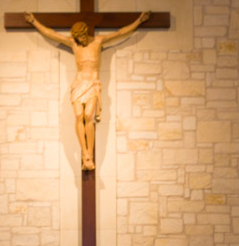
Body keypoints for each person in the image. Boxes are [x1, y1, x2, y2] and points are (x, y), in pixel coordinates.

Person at [23, 12, 151, 170]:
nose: (80, 41)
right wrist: (34, 22)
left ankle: (89, 153)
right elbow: (51, 34)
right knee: (78, 116)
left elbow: (120, 33)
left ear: (86, 34)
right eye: (78, 39)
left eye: (82, 38)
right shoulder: (74, 44)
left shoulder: (98, 41)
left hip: (92, 84)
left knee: (88, 116)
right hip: (78, 84)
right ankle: (85, 154)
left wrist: (138, 21)